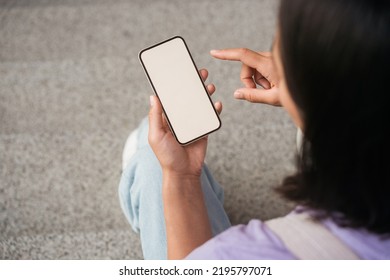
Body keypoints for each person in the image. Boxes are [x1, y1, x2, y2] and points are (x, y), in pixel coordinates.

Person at [118, 0, 390, 259]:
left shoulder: (240, 254)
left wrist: (181, 177)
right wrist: (309, 91)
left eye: (279, 46)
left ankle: (147, 170)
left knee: (152, 163)